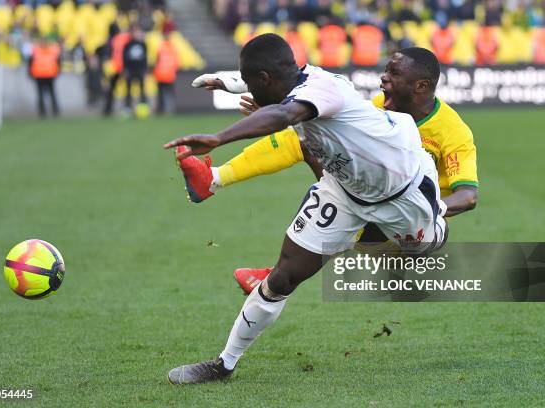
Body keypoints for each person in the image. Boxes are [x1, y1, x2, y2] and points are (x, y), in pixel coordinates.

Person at [164, 34, 446, 384]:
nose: (250, 90)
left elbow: (283, 113)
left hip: (403, 191)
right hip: (344, 191)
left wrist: (219, 138)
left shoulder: (321, 91)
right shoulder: (297, 76)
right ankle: (223, 364)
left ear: (266, 80)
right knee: (281, 277)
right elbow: (274, 87)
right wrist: (227, 82)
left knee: (422, 248)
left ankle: (423, 226)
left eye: (253, 84)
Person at [181, 47, 479, 294]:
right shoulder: (380, 107)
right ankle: (213, 179)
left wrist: (429, 208)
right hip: (369, 203)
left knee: (337, 189)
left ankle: (275, 273)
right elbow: (309, 102)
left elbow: (468, 196)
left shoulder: (453, 132)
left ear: (421, 86)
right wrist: (263, 104)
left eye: (394, 74)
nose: (382, 79)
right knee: (311, 135)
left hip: (406, 229)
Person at [29, 37, 61, 118]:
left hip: (50, 75)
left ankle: (55, 110)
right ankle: (42, 112)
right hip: (39, 75)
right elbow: (31, 62)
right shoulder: (36, 50)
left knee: (52, 93)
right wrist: (30, 73)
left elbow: (58, 61)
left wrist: (58, 72)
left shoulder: (52, 50)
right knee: (40, 94)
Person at [122, 25, 148, 111]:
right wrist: (125, 69)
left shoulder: (143, 44)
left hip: (140, 70)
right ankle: (127, 108)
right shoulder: (127, 45)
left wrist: (145, 70)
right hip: (130, 70)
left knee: (142, 90)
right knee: (128, 90)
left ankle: (143, 108)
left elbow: (145, 58)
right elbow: (125, 58)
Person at [153, 34, 178, 114]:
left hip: (161, 74)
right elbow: (176, 62)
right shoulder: (173, 48)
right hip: (170, 74)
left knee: (161, 93)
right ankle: (170, 109)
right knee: (169, 93)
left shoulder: (161, 47)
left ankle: (162, 109)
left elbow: (157, 60)